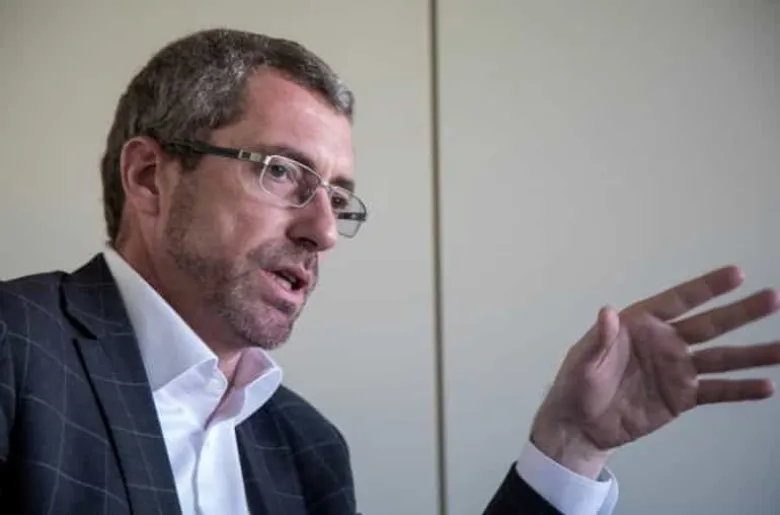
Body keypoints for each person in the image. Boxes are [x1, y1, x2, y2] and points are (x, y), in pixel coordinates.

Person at [0, 28, 778, 515]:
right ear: (149, 178)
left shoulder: (306, 449)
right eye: (281, 171)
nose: (323, 231)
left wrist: (570, 443)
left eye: (338, 198)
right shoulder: (15, 352)